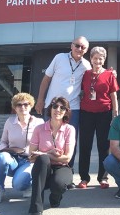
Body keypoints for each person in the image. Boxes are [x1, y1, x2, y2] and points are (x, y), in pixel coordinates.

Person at [35, 36, 91, 181]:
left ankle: (66, 173)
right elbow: (46, 79)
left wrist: (111, 73)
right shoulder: (59, 58)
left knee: (70, 142)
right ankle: (45, 171)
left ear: (86, 50)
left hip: (73, 109)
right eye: (77, 45)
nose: (79, 49)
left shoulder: (86, 65)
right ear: (71, 46)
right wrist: (40, 100)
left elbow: (96, 77)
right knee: (47, 139)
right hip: (52, 106)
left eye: (83, 47)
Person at [77, 46, 119, 190]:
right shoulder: (85, 74)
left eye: (101, 58)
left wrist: (115, 112)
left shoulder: (109, 74)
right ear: (91, 59)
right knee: (85, 146)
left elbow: (113, 95)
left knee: (103, 147)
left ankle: (103, 177)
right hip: (86, 113)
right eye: (95, 58)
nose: (98, 61)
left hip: (104, 113)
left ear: (104, 59)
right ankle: (84, 177)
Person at [0, 93, 44, 204]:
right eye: (19, 105)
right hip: (13, 159)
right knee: (1, 157)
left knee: (19, 185)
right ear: (15, 108)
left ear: (31, 106)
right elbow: (2, 143)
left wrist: (34, 153)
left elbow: (43, 145)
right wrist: (10, 150)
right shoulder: (9, 122)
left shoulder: (39, 123)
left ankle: (27, 185)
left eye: (26, 104)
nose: (22, 107)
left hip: (29, 160)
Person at [28, 97, 75, 215]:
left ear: (66, 111)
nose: (58, 110)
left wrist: (46, 154)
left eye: (62, 107)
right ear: (50, 109)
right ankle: (36, 208)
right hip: (43, 166)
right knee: (43, 160)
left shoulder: (70, 129)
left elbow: (67, 158)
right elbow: (31, 156)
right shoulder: (39, 129)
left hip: (62, 166)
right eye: (55, 106)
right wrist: (49, 153)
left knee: (58, 185)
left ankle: (55, 196)